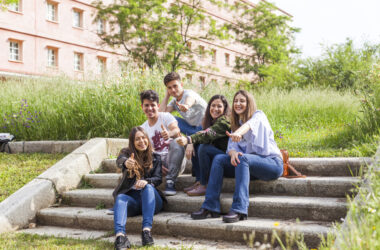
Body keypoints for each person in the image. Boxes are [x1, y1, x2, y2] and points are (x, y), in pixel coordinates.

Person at [191, 90, 283, 223]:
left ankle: (239, 209)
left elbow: (249, 125)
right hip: (248, 167)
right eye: (235, 101)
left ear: (249, 103)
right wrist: (233, 152)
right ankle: (210, 206)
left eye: (242, 101)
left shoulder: (258, 115)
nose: (238, 104)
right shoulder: (235, 124)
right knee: (219, 159)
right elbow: (231, 148)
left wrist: (239, 133)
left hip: (271, 164)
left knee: (243, 158)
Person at [113, 127, 165, 249]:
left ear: (147, 139)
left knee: (148, 188)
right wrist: (126, 163)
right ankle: (120, 237)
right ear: (132, 142)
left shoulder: (156, 157)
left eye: (143, 138)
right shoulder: (126, 154)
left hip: (152, 199)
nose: (141, 141)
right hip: (134, 201)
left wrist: (146, 181)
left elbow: (158, 179)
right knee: (120, 197)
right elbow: (120, 161)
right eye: (137, 139)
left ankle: (146, 232)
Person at [176, 94, 230, 196]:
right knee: (197, 145)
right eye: (213, 106)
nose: (215, 109)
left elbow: (209, 134)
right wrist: (191, 143)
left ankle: (205, 185)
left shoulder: (225, 121)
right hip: (217, 156)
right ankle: (199, 181)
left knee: (204, 148)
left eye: (219, 106)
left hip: (227, 158)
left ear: (225, 108)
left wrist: (189, 139)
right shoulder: (210, 121)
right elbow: (201, 133)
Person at [140, 90, 185, 196]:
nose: (150, 108)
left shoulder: (165, 116)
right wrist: (157, 165)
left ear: (158, 106)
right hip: (158, 165)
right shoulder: (143, 128)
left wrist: (169, 134)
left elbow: (176, 130)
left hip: (175, 161)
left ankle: (170, 181)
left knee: (177, 141)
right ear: (142, 107)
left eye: (153, 105)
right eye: (146, 105)